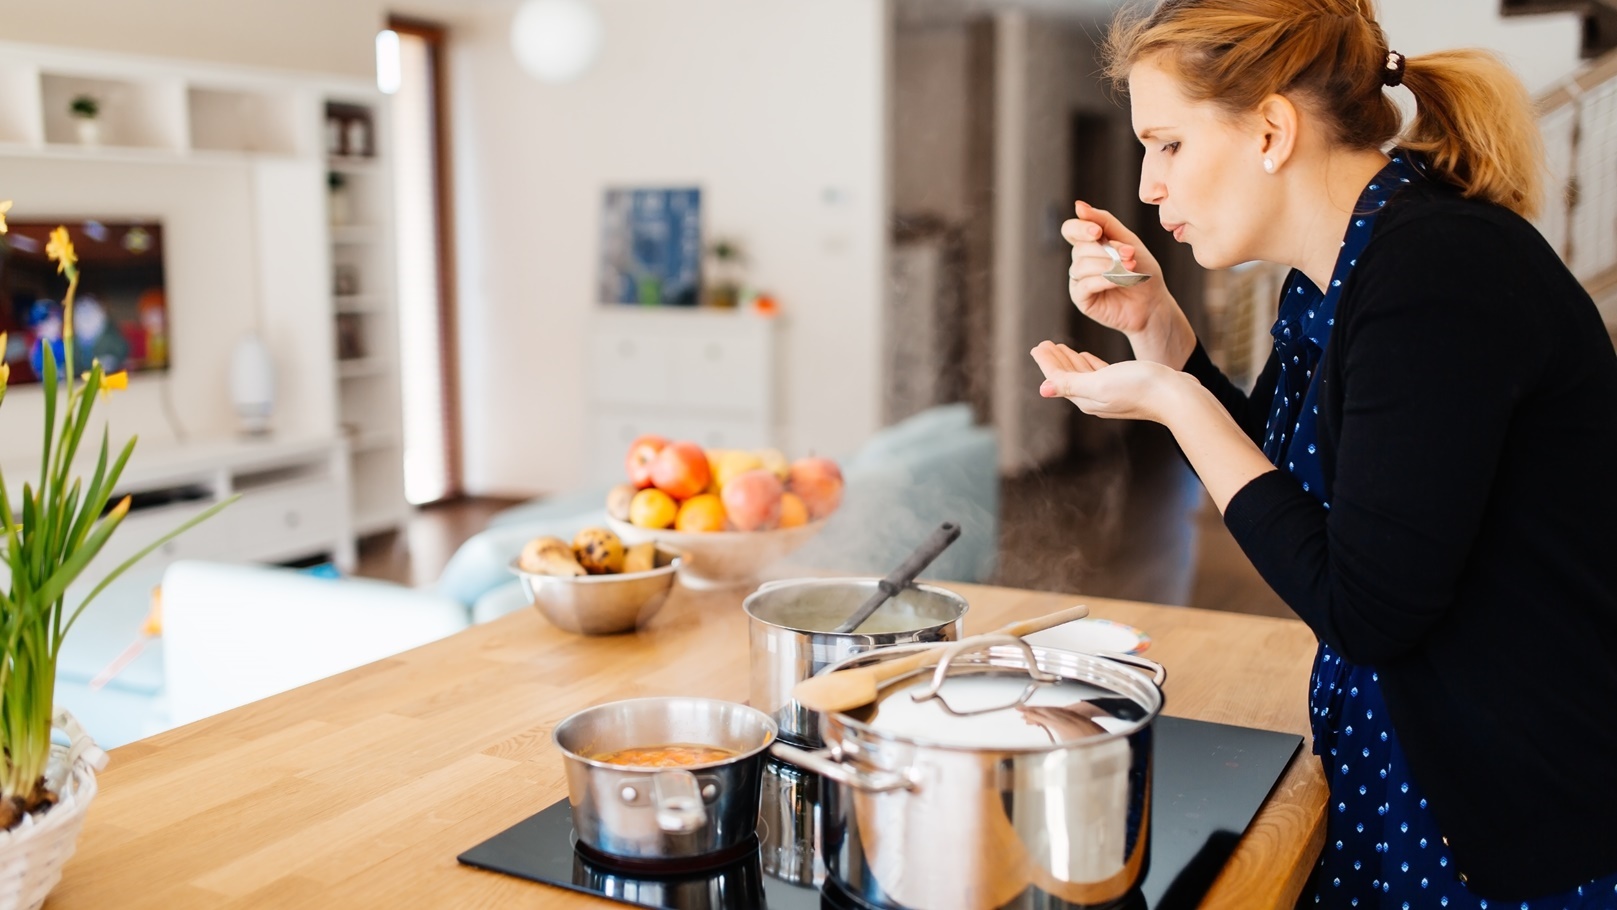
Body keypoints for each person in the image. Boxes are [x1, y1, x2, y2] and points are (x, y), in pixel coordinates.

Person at [1029, 0, 1617, 906]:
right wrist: (1162, 335)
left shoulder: (1434, 275)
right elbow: (1290, 486)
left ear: (1270, 130)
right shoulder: (1347, 269)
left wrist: (1177, 404)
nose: (1148, 186)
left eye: (1170, 144)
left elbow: (1368, 608)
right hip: (1413, 772)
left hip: (1502, 816)